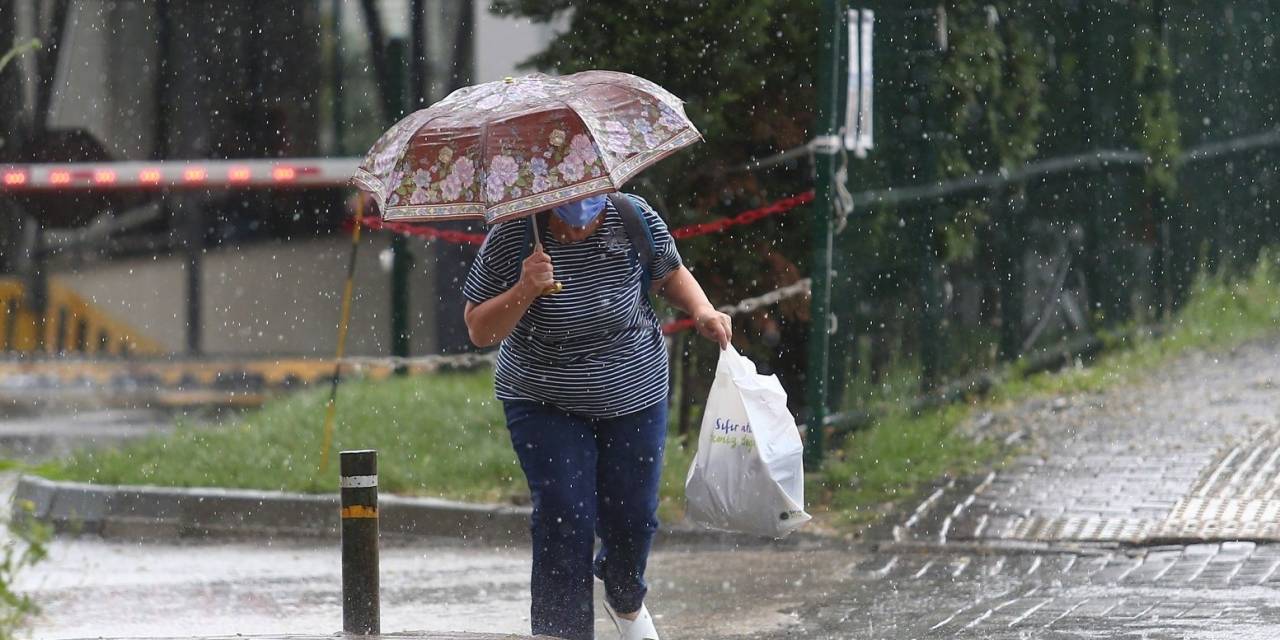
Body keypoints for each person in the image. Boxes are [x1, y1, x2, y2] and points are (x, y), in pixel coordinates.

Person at [463, 192, 730, 640]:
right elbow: (478, 328)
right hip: (544, 398)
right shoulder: (513, 234)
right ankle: (560, 632)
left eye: (592, 200)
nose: (581, 213)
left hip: (634, 390)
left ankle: (625, 599)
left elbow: (671, 272)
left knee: (634, 518)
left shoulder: (632, 216)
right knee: (564, 516)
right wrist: (525, 288)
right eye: (569, 202)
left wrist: (702, 309)